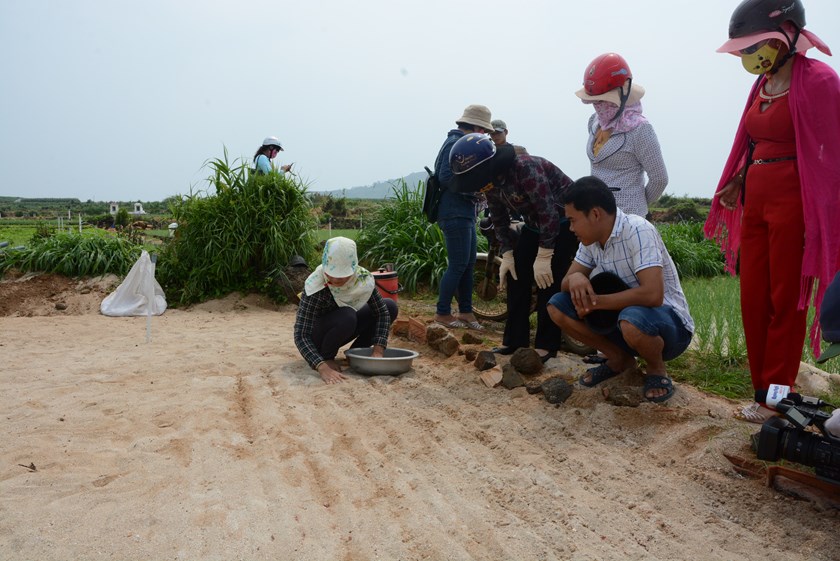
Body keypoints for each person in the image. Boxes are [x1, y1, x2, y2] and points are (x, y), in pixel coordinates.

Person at [704, 0, 840, 423]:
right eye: (745, 48)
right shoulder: (763, 84)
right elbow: (753, 142)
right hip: (757, 200)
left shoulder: (819, 80)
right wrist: (739, 178)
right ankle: (762, 392)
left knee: (787, 301)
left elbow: (832, 153)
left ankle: (777, 397)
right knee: (753, 298)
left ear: (787, 32)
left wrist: (823, 215)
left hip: (794, 202)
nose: (749, 54)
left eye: (755, 44)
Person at [546, 176, 694, 403]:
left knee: (631, 318)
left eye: (573, 220)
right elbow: (566, 283)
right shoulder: (591, 241)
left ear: (595, 214)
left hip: (669, 325)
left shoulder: (637, 230)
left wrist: (594, 303)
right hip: (623, 323)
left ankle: (656, 369)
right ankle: (619, 359)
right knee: (557, 306)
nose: (571, 228)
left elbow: (652, 295)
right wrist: (575, 277)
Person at [449, 132, 578, 362]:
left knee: (548, 279)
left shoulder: (525, 168)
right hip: (534, 225)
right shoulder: (490, 184)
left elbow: (548, 212)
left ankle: (547, 344)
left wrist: (545, 254)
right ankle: (515, 340)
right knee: (516, 274)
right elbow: (499, 219)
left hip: (563, 223)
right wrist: (507, 253)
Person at [293, 237, 398, 384]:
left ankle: (356, 353)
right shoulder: (315, 285)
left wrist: (378, 350)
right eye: (331, 274)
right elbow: (301, 335)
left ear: (353, 268)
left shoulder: (362, 279)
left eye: (342, 276)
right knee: (347, 315)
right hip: (319, 337)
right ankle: (327, 356)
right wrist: (321, 366)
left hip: (345, 326)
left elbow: (382, 313)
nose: (336, 280)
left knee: (389, 306)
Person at [576, 53, 668, 219]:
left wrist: (638, 203)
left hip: (627, 216)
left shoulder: (640, 129)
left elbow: (659, 179)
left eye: (603, 100)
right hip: (596, 216)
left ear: (622, 95)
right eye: (595, 101)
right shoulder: (595, 122)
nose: (598, 106)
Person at [433, 104, 495, 331]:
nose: (484, 135)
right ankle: (442, 313)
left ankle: (466, 312)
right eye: (484, 130)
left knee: (468, 264)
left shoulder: (458, 142)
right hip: (454, 211)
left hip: (464, 212)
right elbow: (445, 177)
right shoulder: (455, 143)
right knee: (458, 265)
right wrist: (474, 192)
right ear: (476, 127)